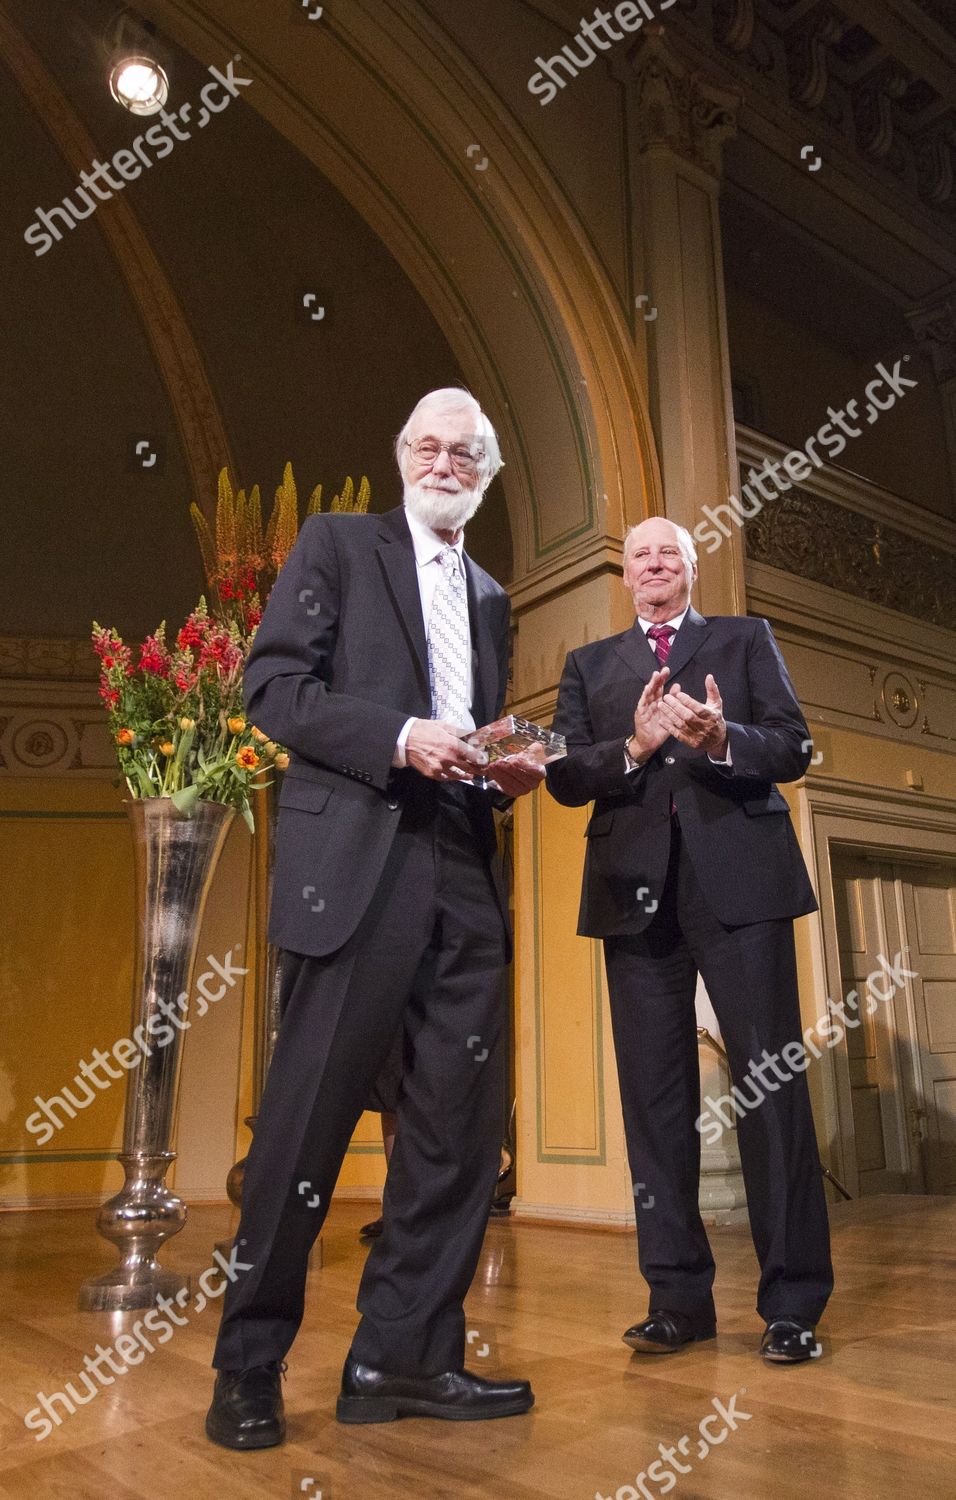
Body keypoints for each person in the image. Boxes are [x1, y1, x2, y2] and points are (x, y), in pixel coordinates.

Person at [206, 388, 544, 1449]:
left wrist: (499, 765)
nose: (444, 462)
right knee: (304, 1129)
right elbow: (272, 691)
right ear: (402, 455)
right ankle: (247, 1372)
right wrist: (401, 735)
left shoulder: (491, 596)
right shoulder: (337, 545)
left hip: (463, 869)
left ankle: (403, 1358)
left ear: (484, 477)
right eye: (427, 445)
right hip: (355, 864)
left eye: (465, 453)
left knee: (456, 1133)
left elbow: (466, 735)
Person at [545, 516, 833, 1364]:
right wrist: (634, 745)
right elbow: (563, 776)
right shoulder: (589, 667)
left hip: (739, 884)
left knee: (771, 1084)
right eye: (639, 554)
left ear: (691, 567)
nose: (654, 563)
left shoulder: (744, 641)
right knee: (654, 1099)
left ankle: (792, 1304)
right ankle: (676, 1299)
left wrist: (724, 739)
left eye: (668, 551)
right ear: (625, 575)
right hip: (633, 896)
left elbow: (794, 745)